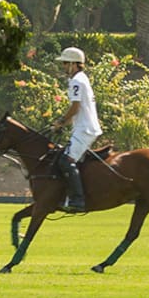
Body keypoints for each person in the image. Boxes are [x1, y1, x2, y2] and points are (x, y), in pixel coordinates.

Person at [52, 45, 102, 214]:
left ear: (74, 64)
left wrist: (61, 121)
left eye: (65, 63)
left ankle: (78, 200)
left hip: (85, 129)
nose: (64, 67)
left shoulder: (77, 80)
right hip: (83, 128)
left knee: (66, 161)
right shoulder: (81, 78)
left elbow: (75, 107)